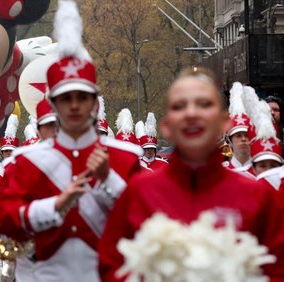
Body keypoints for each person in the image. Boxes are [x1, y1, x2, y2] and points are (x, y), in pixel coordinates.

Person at [0, 0, 142, 282]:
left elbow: (148, 221)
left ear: (94, 102)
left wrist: (109, 181)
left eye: (82, 97)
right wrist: (55, 207)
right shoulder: (27, 162)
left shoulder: (126, 158)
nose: (74, 106)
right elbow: (1, 219)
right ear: (53, 104)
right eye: (66, 98)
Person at [98, 68, 284, 281]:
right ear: (166, 126)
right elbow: (111, 266)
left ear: (224, 123)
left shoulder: (258, 195)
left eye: (204, 104)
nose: (192, 114)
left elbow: (277, 269)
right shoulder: (137, 193)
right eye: (180, 106)